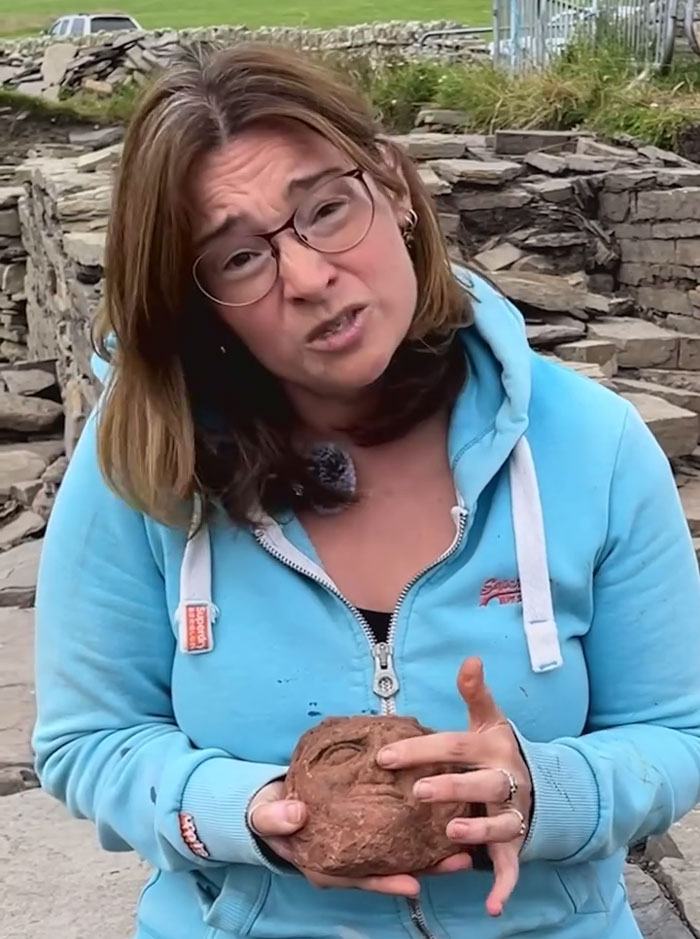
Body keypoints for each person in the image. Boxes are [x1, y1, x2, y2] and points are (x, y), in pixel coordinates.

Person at [32, 42, 700, 939]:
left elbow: (679, 734)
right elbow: (86, 743)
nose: (308, 279)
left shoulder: (597, 447)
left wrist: (544, 790)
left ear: (391, 186)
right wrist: (246, 811)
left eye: (326, 209)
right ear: (200, 307)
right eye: (237, 260)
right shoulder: (142, 469)